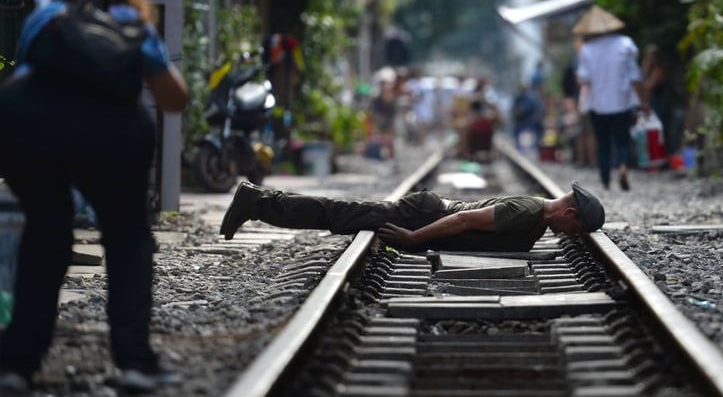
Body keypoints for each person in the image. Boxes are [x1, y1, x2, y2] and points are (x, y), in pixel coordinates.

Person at [0, 0, 189, 393]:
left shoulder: (45, 15)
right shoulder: (131, 22)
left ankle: (16, 365)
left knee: (45, 234)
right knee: (127, 241)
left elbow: (26, 73)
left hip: (31, 128)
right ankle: (134, 363)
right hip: (114, 136)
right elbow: (173, 100)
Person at [219, 180, 605, 253]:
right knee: (338, 214)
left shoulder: (538, 219)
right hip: (425, 215)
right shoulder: (528, 212)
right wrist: (415, 238)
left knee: (341, 214)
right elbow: (464, 221)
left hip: (428, 214)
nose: (573, 234)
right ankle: (258, 201)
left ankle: (259, 202)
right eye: (576, 228)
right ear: (569, 212)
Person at [574, 5, 648, 191]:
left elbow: (584, 78)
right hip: (622, 101)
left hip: (598, 104)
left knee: (603, 143)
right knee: (622, 140)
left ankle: (606, 182)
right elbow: (634, 75)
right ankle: (623, 167)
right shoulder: (625, 43)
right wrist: (644, 101)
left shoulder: (586, 50)